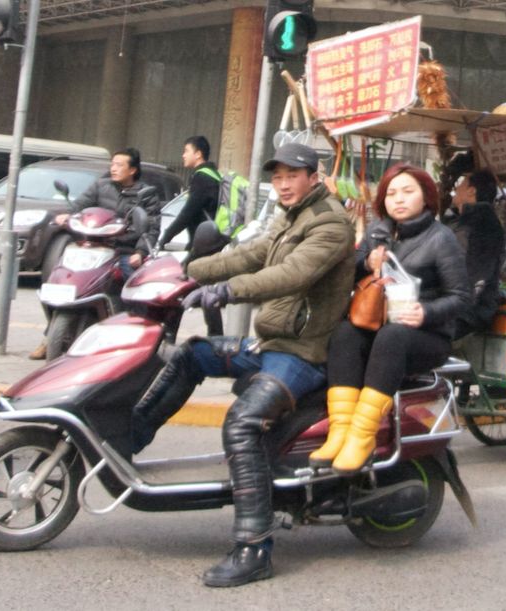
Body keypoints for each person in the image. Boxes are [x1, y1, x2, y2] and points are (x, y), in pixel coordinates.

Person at [130, 142, 355, 587]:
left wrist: (227, 290)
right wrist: (188, 269)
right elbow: (249, 254)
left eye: (293, 175)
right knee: (193, 354)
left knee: (242, 423)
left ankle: (255, 547)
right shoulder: (290, 217)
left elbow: (291, 274)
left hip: (302, 354)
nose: (285, 184)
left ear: (313, 176)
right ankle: (129, 438)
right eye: (278, 177)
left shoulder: (330, 224)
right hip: (271, 342)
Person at [309, 163, 471, 474]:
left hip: (425, 336)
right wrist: (366, 260)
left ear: (426, 197)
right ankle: (340, 430)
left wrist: (426, 312)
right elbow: (351, 268)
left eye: (408, 192)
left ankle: (362, 436)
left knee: (392, 335)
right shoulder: (377, 231)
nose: (398, 199)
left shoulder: (441, 239)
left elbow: (462, 298)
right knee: (345, 333)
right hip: (378, 324)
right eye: (391, 193)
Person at [29, 147, 159, 359]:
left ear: (133, 170)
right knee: (60, 280)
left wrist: (140, 251)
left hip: (123, 250)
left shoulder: (146, 194)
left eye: (119, 165)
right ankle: (50, 335)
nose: (114, 168)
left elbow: (152, 227)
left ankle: (136, 334)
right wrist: (66, 216)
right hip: (93, 246)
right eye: (113, 164)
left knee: (134, 287)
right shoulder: (101, 185)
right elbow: (80, 205)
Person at [161, 136, 223, 335]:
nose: (183, 155)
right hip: (208, 244)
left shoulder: (202, 177)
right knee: (205, 293)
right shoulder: (212, 175)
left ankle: (168, 335)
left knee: (179, 290)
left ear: (198, 154)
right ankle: (216, 337)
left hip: (202, 246)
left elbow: (188, 212)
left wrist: (166, 236)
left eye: (186, 150)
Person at [442, 160, 505, 337]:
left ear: (471, 191)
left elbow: (474, 273)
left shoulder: (481, 223)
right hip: (462, 308)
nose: (457, 188)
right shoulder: (464, 220)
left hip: (468, 313)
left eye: (461, 184)